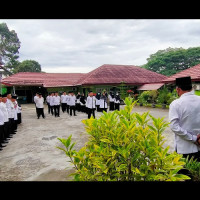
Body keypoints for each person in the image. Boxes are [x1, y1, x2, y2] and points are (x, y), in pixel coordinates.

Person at [169, 76, 200, 162]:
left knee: (185, 174)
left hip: (185, 149)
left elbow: (174, 127)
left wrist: (193, 138)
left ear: (178, 89)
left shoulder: (176, 104)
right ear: (192, 88)